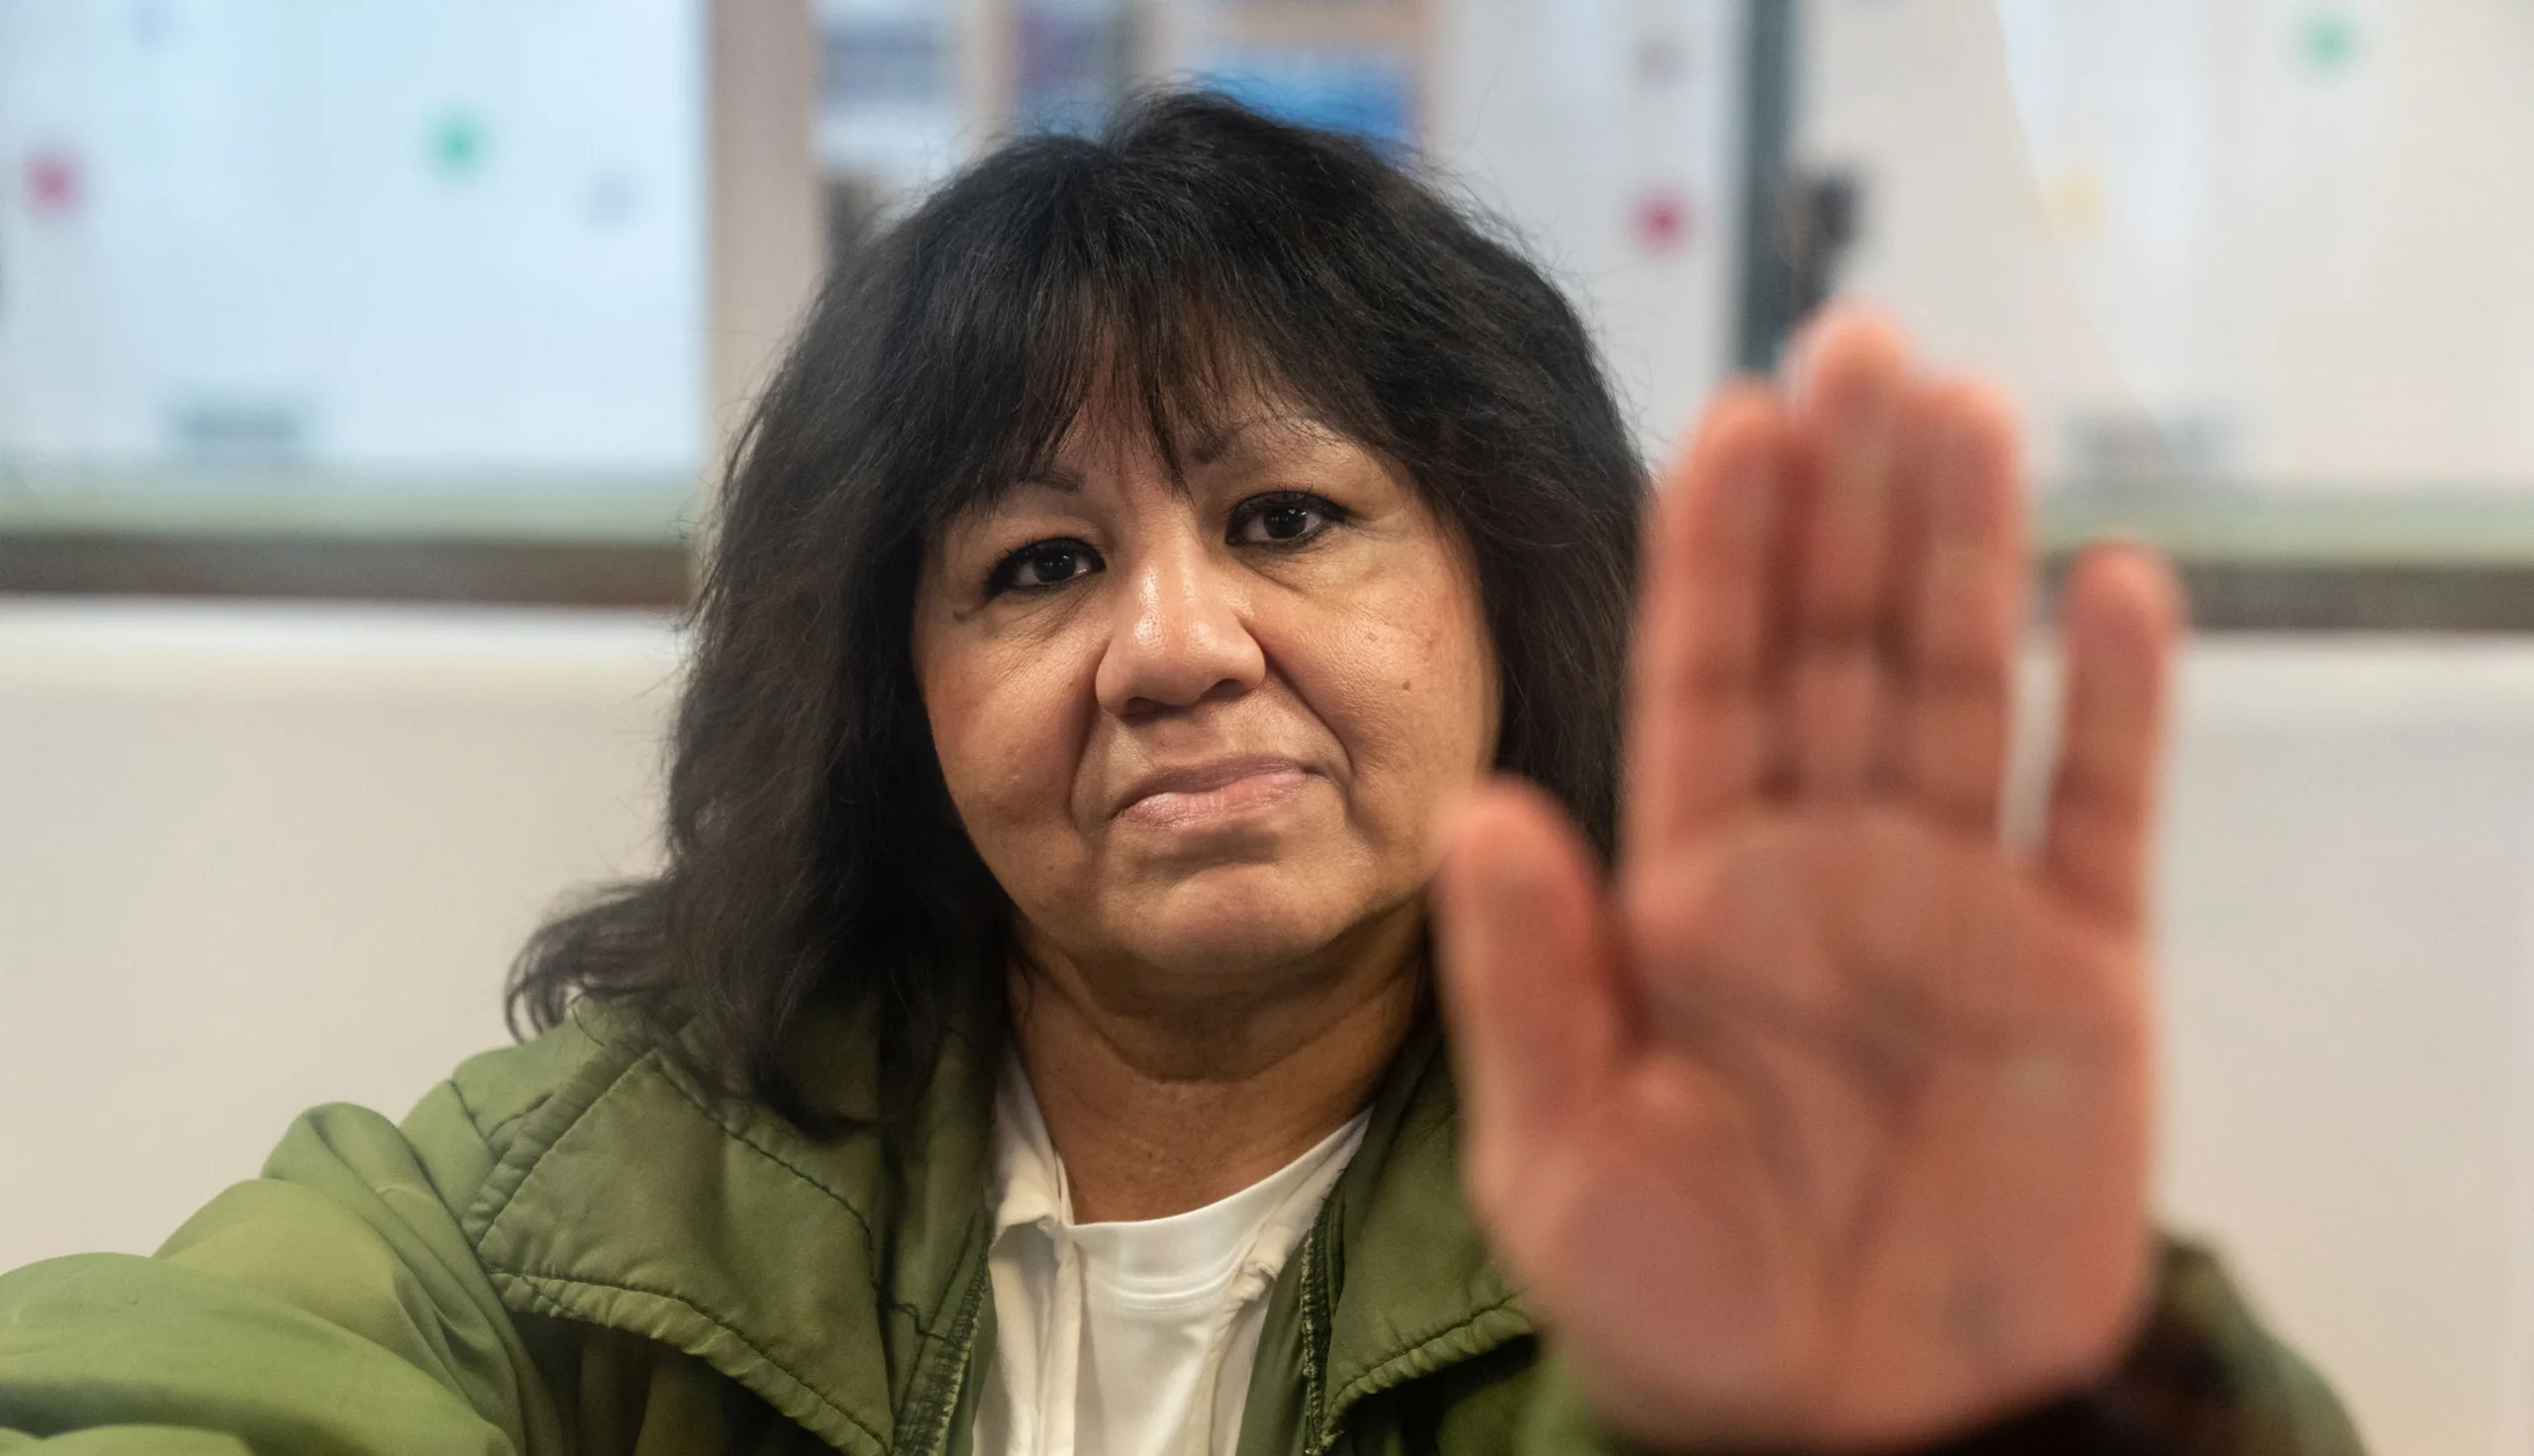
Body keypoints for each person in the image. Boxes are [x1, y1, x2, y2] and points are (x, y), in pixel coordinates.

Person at [0, 93, 2362, 1456]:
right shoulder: (614, 1186)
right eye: (1032, 567)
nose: (1166, 646)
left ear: (1501, 593)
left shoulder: (1718, 1187)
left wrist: (1993, 1417)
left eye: (1283, 520)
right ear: (886, 694)